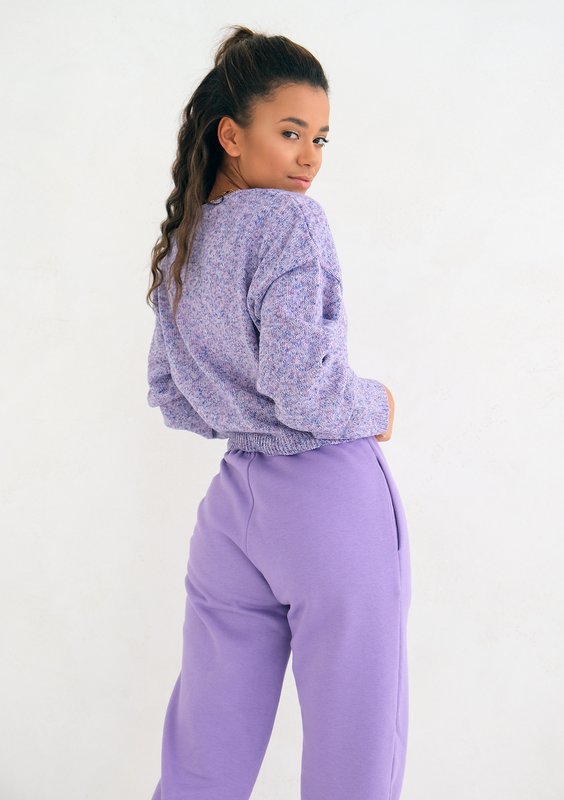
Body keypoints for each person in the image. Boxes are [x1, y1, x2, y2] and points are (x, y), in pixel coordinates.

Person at [145, 24, 412, 800]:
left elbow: (171, 394)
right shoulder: (291, 222)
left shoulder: (184, 243)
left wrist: (241, 410)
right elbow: (305, 389)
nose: (309, 158)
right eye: (290, 132)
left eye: (320, 138)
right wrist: (377, 403)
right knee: (356, 748)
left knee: (204, 754)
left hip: (234, 510)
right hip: (328, 500)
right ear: (232, 135)